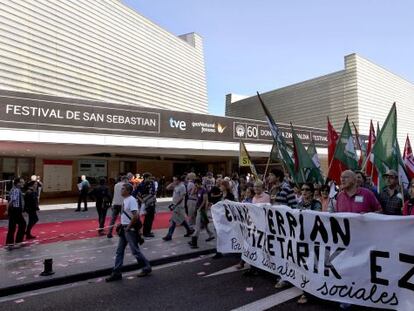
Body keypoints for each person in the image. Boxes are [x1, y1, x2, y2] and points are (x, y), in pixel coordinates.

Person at [334, 170, 381, 310]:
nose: (342, 179)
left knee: (363, 269)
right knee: (347, 268)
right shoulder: (339, 196)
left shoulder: (367, 194)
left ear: (354, 180)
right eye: (341, 177)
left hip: (365, 241)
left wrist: (368, 215)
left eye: (345, 177)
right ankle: (348, 297)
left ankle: (366, 296)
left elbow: (380, 211)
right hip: (346, 241)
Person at [106, 183, 151, 282]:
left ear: (128, 191)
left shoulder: (131, 200)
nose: (121, 190)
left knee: (135, 250)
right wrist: (121, 224)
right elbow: (126, 215)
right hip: (124, 228)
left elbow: (136, 216)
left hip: (129, 230)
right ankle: (117, 272)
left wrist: (128, 227)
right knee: (119, 251)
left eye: (123, 189)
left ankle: (146, 267)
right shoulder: (125, 200)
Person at [163, 176, 194, 241]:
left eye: (175, 180)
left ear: (179, 180)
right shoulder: (176, 185)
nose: (174, 181)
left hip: (179, 206)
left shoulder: (182, 187)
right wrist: (172, 183)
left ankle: (169, 235)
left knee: (173, 221)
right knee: (182, 220)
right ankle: (189, 230)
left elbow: (182, 197)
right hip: (175, 205)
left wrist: (175, 205)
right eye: (173, 180)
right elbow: (167, 188)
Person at [188, 179, 215, 249]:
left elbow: (205, 200)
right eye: (194, 184)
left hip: (201, 210)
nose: (195, 185)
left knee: (197, 225)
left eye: (195, 184)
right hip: (198, 209)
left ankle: (194, 239)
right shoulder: (198, 189)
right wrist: (194, 188)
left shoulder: (203, 190)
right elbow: (191, 194)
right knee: (204, 224)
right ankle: (211, 234)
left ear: (199, 183)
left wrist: (200, 208)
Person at [5, 178, 26, 250]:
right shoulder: (16, 190)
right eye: (22, 182)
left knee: (12, 226)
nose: (23, 183)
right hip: (15, 210)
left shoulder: (14, 189)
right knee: (22, 224)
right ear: (18, 183)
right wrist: (7, 210)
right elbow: (12, 200)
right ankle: (18, 242)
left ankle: (10, 243)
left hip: (14, 210)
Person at [135, 173, 157, 238]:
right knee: (148, 218)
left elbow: (153, 192)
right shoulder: (141, 185)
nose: (150, 179)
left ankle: (148, 231)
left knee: (150, 218)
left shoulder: (151, 183)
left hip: (151, 203)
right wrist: (141, 200)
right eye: (149, 178)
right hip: (145, 203)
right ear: (145, 178)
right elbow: (135, 193)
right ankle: (146, 232)